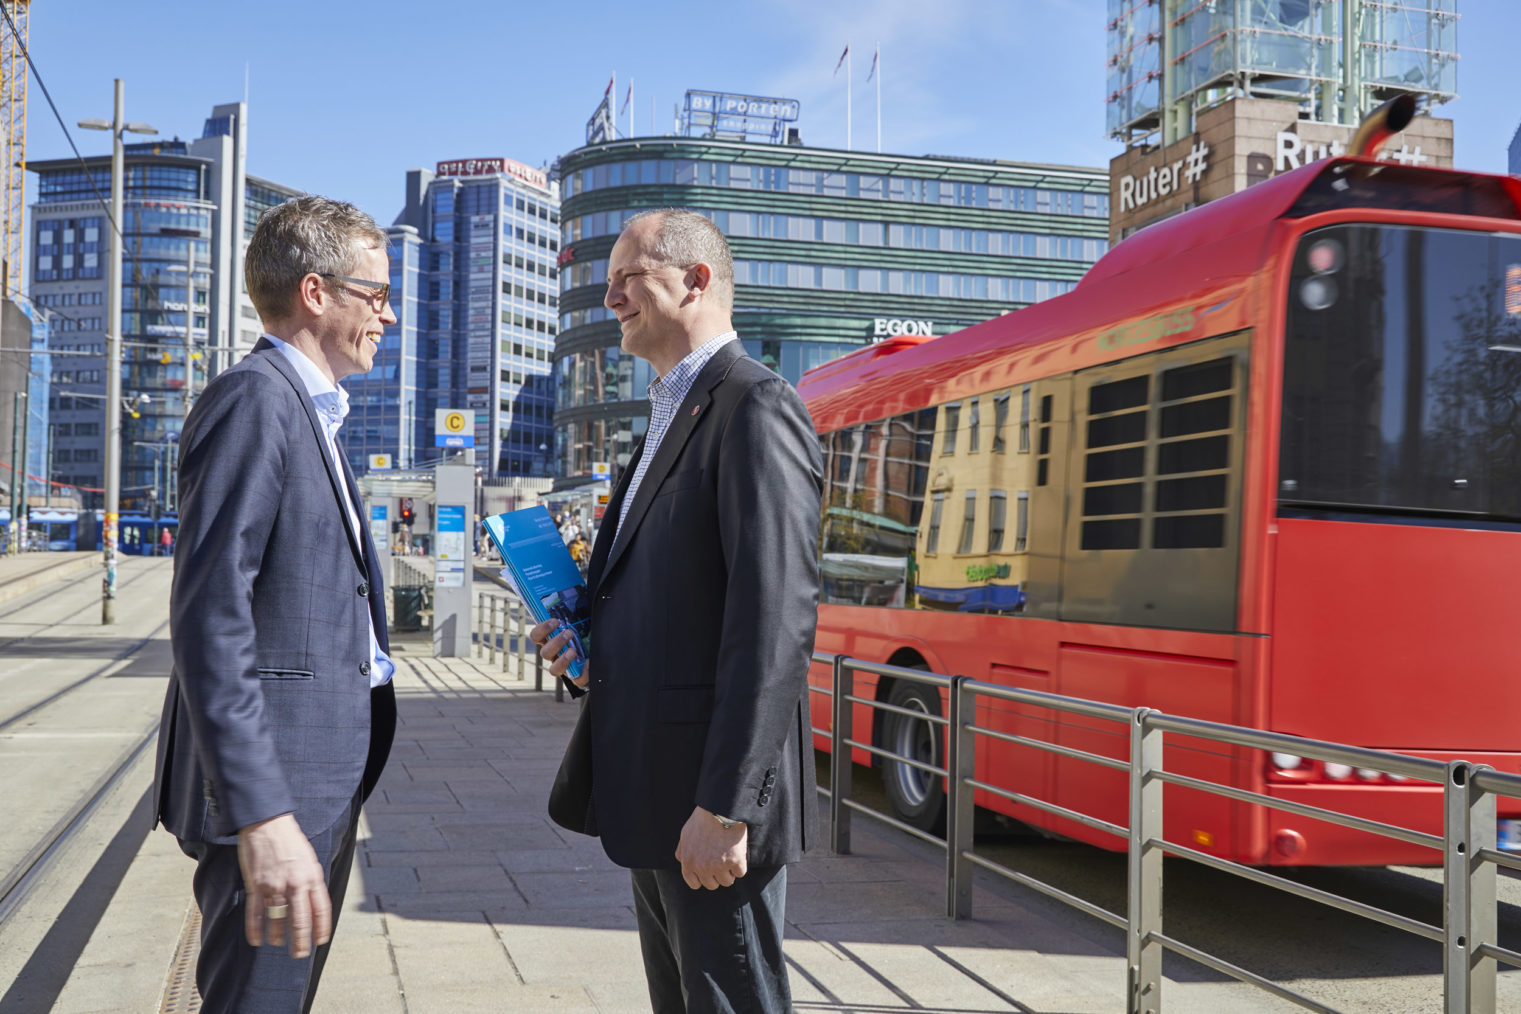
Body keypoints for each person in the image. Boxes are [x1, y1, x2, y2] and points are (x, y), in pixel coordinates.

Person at [532, 208, 823, 1013]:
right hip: (657, 792)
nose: (609, 299)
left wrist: (727, 806)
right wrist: (585, 643)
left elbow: (775, 622)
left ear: (695, 280)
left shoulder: (754, 406)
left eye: (627, 278)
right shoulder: (669, 411)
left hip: (707, 805)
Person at [152, 196, 399, 1014]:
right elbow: (210, 615)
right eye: (377, 295)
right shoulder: (256, 400)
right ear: (317, 292)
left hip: (314, 783)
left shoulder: (308, 411)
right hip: (278, 795)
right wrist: (261, 814)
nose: (388, 316)